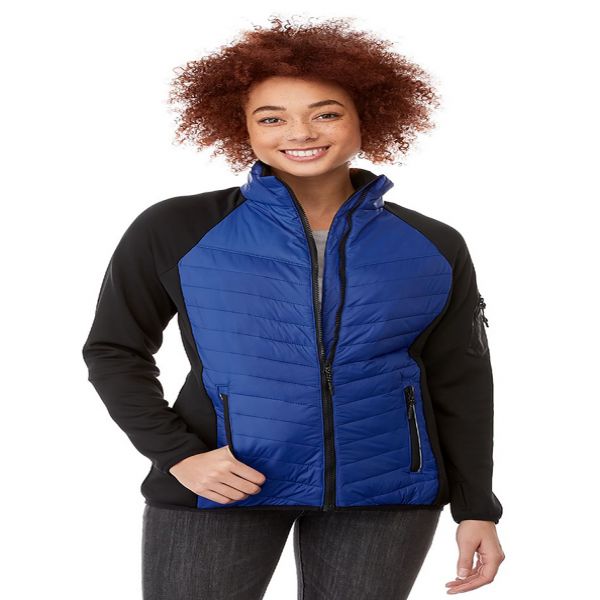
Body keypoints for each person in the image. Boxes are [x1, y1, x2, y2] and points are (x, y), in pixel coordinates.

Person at [82, 15, 505, 600]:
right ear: (242, 126)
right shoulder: (176, 228)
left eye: (325, 113)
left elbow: (461, 378)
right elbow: (114, 351)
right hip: (221, 486)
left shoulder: (433, 244)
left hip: (384, 493)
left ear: (366, 117)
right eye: (271, 118)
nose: (299, 132)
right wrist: (180, 456)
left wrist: (476, 506)